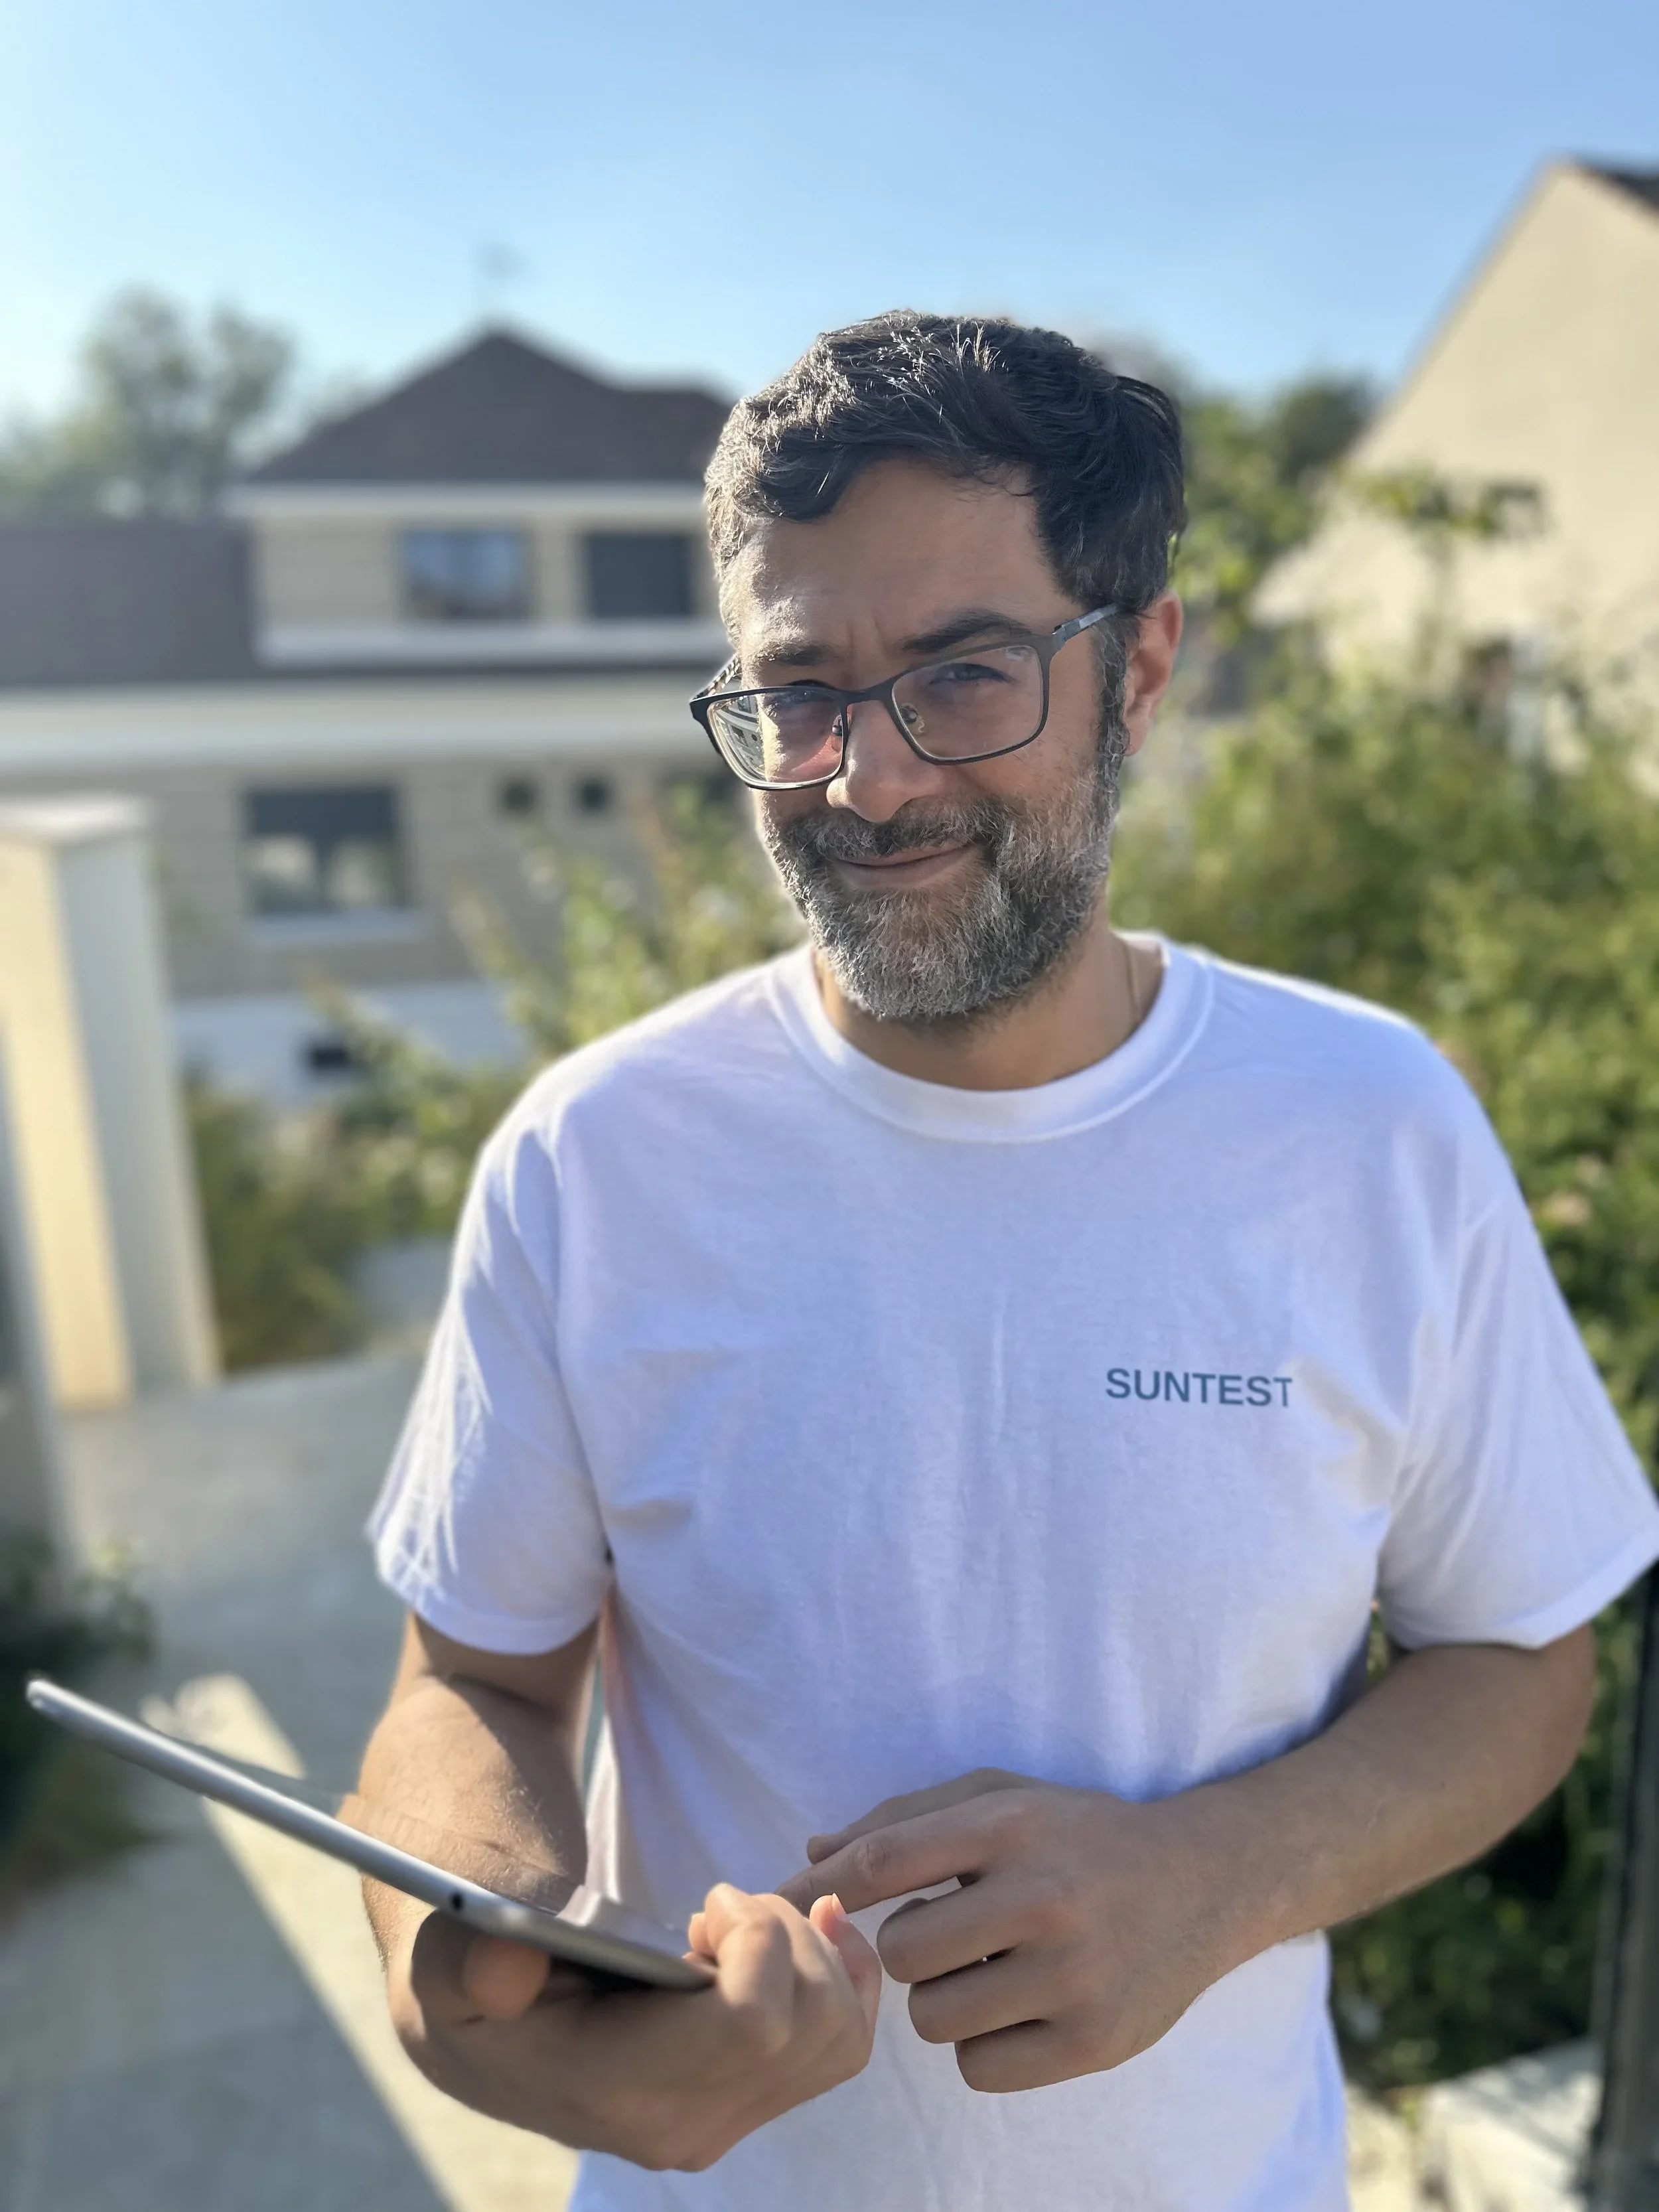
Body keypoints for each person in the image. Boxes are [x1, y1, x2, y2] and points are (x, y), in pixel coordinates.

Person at [360, 313, 1659, 2211]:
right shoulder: (596, 1155)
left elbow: (1521, 1652)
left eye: (962, 673)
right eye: (795, 690)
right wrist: (469, 1968)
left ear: (1140, 664)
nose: (864, 783)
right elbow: (470, 1675)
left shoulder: (1366, 1127)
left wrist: (1218, 1875)